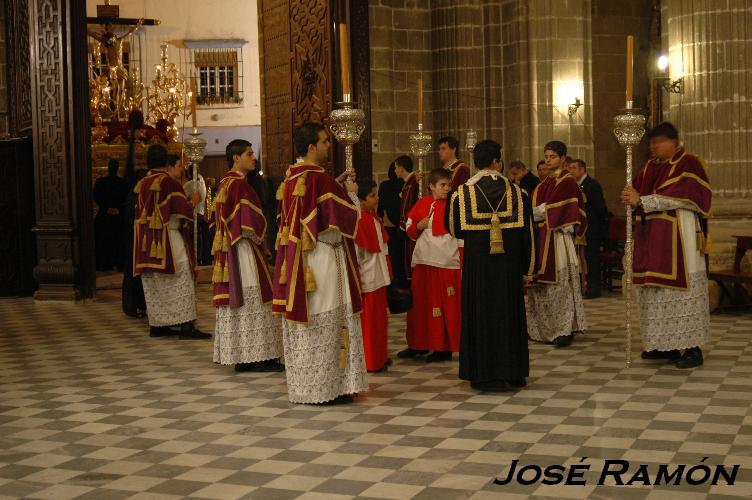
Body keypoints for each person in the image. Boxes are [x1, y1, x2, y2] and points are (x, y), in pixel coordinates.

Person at [273, 122, 368, 404]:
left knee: (310, 322)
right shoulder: (319, 178)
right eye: (326, 141)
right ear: (312, 147)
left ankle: (307, 386)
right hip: (325, 258)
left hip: (300, 259)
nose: (329, 145)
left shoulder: (291, 176)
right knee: (329, 320)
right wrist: (350, 193)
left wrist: (335, 186)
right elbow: (348, 218)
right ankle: (330, 389)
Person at [621, 122, 711, 369]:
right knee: (654, 292)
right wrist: (630, 196)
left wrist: (642, 199)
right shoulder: (650, 167)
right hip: (651, 239)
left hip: (678, 238)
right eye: (651, 143)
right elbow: (638, 193)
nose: (653, 147)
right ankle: (665, 344)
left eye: (658, 142)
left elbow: (687, 195)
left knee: (681, 294)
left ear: (674, 141)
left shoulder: (688, 163)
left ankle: (692, 349)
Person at [446, 140, 534, 391]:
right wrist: (527, 269)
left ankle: (482, 374)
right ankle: (513, 372)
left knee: (480, 315)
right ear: (497, 162)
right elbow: (528, 235)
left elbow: (454, 228)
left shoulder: (461, 194)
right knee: (509, 316)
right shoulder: (518, 193)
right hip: (507, 270)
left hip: (479, 270)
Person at [212, 139, 284, 373]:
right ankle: (255, 358)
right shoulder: (240, 186)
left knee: (243, 300)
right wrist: (264, 239)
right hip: (242, 249)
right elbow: (252, 223)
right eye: (249, 154)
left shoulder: (224, 182)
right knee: (254, 299)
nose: (254, 158)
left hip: (229, 249)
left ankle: (246, 355)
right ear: (236, 158)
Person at [133, 144, 210, 340]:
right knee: (181, 277)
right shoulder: (168, 182)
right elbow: (182, 210)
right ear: (166, 162)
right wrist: (193, 201)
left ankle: (158, 325)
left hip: (145, 241)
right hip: (167, 239)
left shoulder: (142, 183)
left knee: (155, 282)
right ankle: (186, 326)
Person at [526, 141, 587, 347]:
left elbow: (554, 209)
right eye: (546, 156)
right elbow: (539, 207)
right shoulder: (543, 184)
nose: (548, 160)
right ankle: (541, 329)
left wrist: (533, 213)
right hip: (541, 236)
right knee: (540, 286)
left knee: (559, 286)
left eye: (552, 156)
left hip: (558, 237)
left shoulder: (567, 181)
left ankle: (563, 329)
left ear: (562, 158)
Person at [400, 168, 462, 363]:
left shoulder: (455, 206)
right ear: (431, 187)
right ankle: (417, 344)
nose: (447, 189)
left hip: (446, 262)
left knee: (444, 306)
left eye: (449, 185)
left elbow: (461, 237)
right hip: (423, 261)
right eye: (443, 185)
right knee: (420, 305)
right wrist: (418, 226)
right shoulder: (422, 203)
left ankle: (442, 347)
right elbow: (409, 228)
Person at [353, 178, 392, 373]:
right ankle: (371, 360)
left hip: (379, 277)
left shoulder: (373, 218)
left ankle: (381, 356)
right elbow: (358, 254)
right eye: (372, 196)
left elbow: (382, 249)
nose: (377, 199)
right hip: (367, 279)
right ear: (360, 200)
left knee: (380, 323)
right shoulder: (360, 221)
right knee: (369, 324)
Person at [568, 159, 609, 298]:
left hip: (592, 230)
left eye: (574, 168)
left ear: (582, 170)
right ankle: (582, 287)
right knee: (582, 260)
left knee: (592, 260)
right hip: (580, 230)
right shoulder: (574, 185)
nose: (571, 171)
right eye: (570, 168)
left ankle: (593, 289)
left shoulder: (592, 185)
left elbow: (600, 208)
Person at [94, 158, 129, 271]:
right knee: (117, 240)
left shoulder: (100, 182)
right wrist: (118, 208)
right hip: (117, 216)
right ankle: (118, 264)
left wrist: (106, 208)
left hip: (105, 215)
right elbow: (127, 198)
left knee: (105, 241)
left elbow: (96, 196)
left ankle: (105, 263)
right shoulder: (124, 183)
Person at [122, 168, 147, 318]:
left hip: (140, 240)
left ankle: (141, 306)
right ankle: (131, 307)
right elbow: (130, 219)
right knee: (133, 275)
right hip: (133, 240)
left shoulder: (141, 196)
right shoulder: (134, 197)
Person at [378, 162, 406, 288]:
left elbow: (381, 205)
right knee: (402, 254)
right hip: (402, 224)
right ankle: (404, 280)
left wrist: (380, 219)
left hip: (389, 225)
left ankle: (395, 282)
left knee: (393, 255)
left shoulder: (385, 185)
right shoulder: (404, 185)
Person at [183, 158, 213, 265]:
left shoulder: (190, 184)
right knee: (201, 241)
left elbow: (181, 198)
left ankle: (193, 260)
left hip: (193, 215)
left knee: (192, 241)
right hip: (201, 215)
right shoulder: (202, 182)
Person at [395, 155, 419, 282]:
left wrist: (403, 225)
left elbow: (407, 207)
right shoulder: (410, 182)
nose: (395, 171)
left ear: (401, 168)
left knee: (411, 255)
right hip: (412, 225)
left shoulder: (410, 184)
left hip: (412, 226)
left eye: (395, 167)